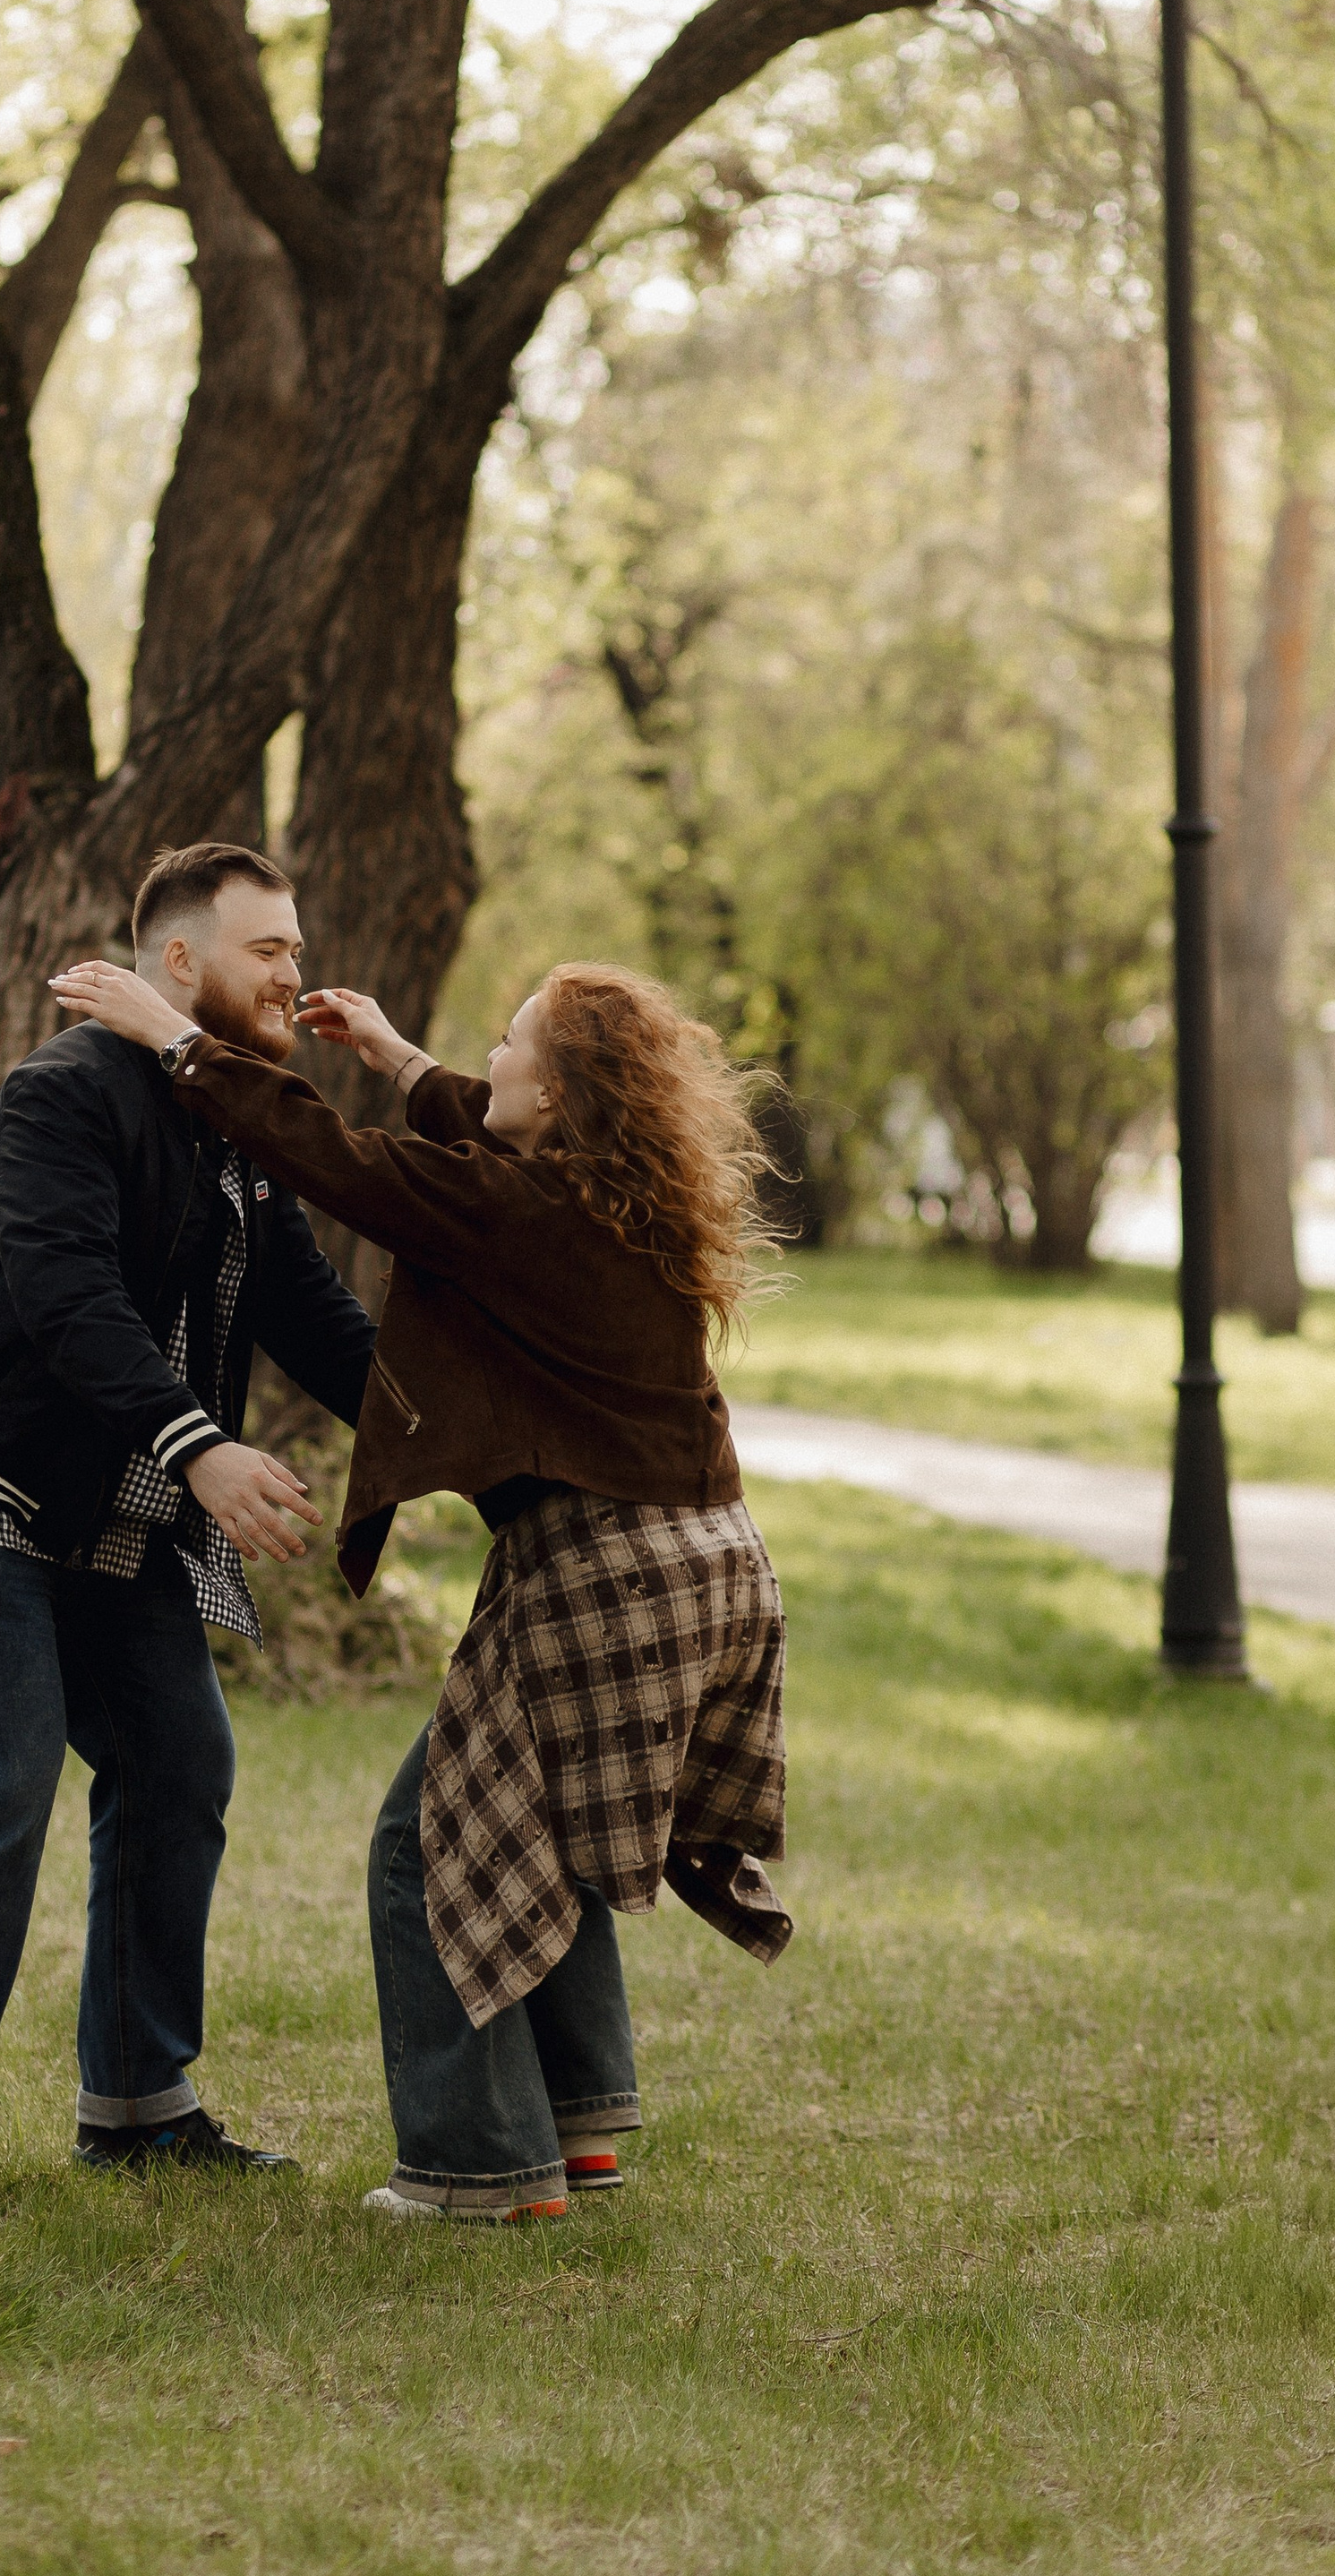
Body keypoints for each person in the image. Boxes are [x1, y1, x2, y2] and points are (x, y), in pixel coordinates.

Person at [48, 949, 792, 2225]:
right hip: (707, 1563)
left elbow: (340, 1162)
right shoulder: (613, 1195)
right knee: (540, 1828)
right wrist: (396, 1055)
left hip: (610, 1569)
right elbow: (469, 1141)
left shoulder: (518, 1209)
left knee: (431, 1845)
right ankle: (578, 2126)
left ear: (557, 1097)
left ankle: (483, 2168)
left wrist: (175, 1037)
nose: (490, 1062)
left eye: (510, 1047)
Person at [0, 844, 377, 2211]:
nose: (294, 973)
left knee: (176, 1754)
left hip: (103, 1497)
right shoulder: (65, 1092)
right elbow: (70, 1293)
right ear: (179, 963)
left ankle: (137, 2103)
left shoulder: (239, 1123)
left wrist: (479, 1444)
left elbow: (315, 1316)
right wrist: (201, 1449)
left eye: (298, 949)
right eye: (270, 951)